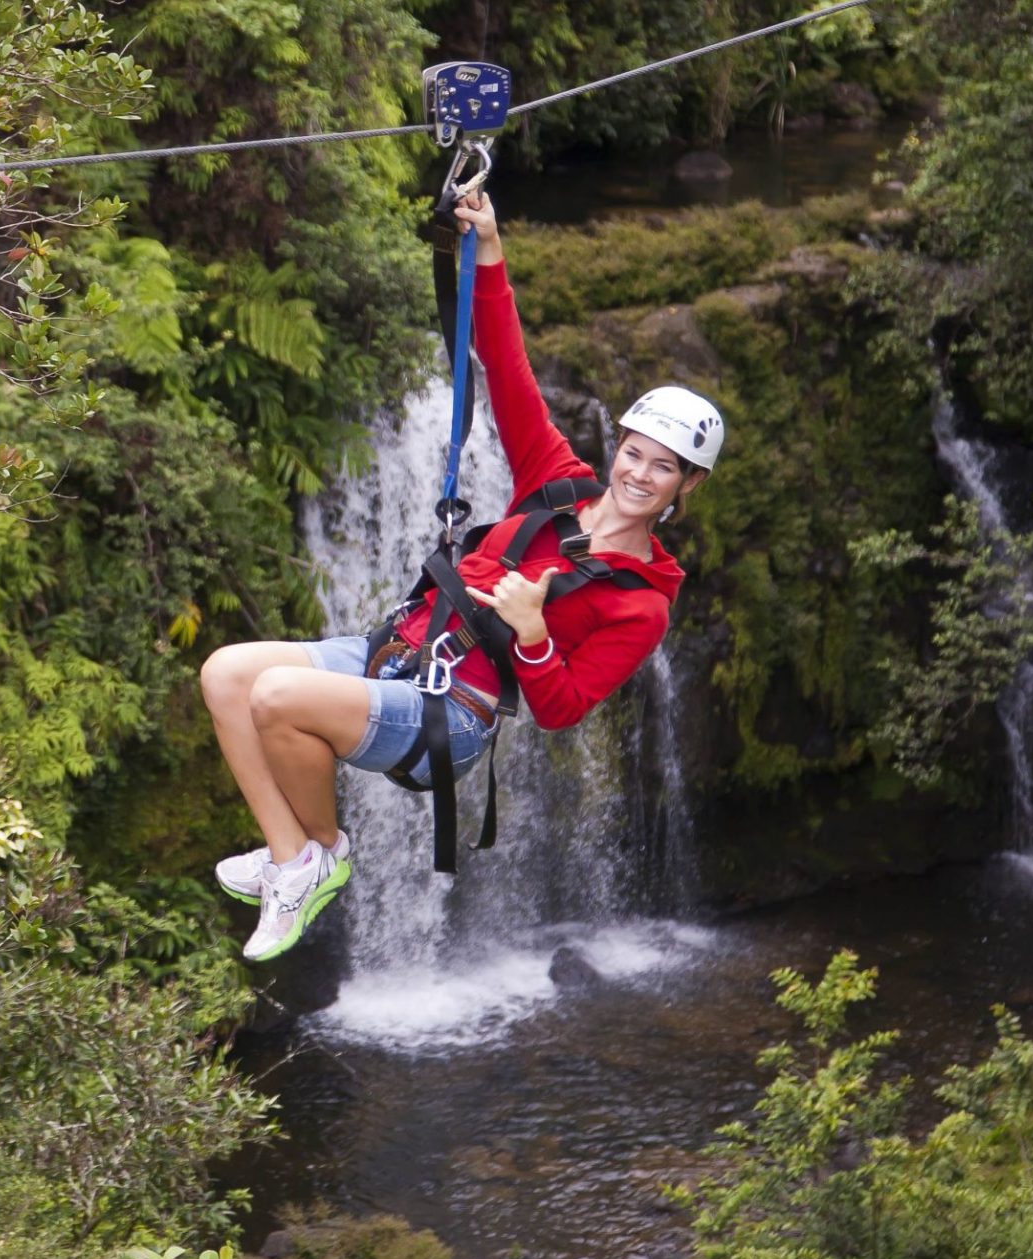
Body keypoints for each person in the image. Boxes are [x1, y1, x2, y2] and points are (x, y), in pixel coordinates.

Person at [199, 191, 724, 960]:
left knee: (277, 698)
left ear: (687, 486)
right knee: (224, 674)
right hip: (399, 650)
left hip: (457, 711)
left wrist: (535, 634)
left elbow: (562, 711)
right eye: (635, 451)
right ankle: (295, 859)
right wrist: (489, 249)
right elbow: (507, 369)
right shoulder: (557, 482)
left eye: (664, 467)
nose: (640, 473)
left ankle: (322, 857)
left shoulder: (640, 605)